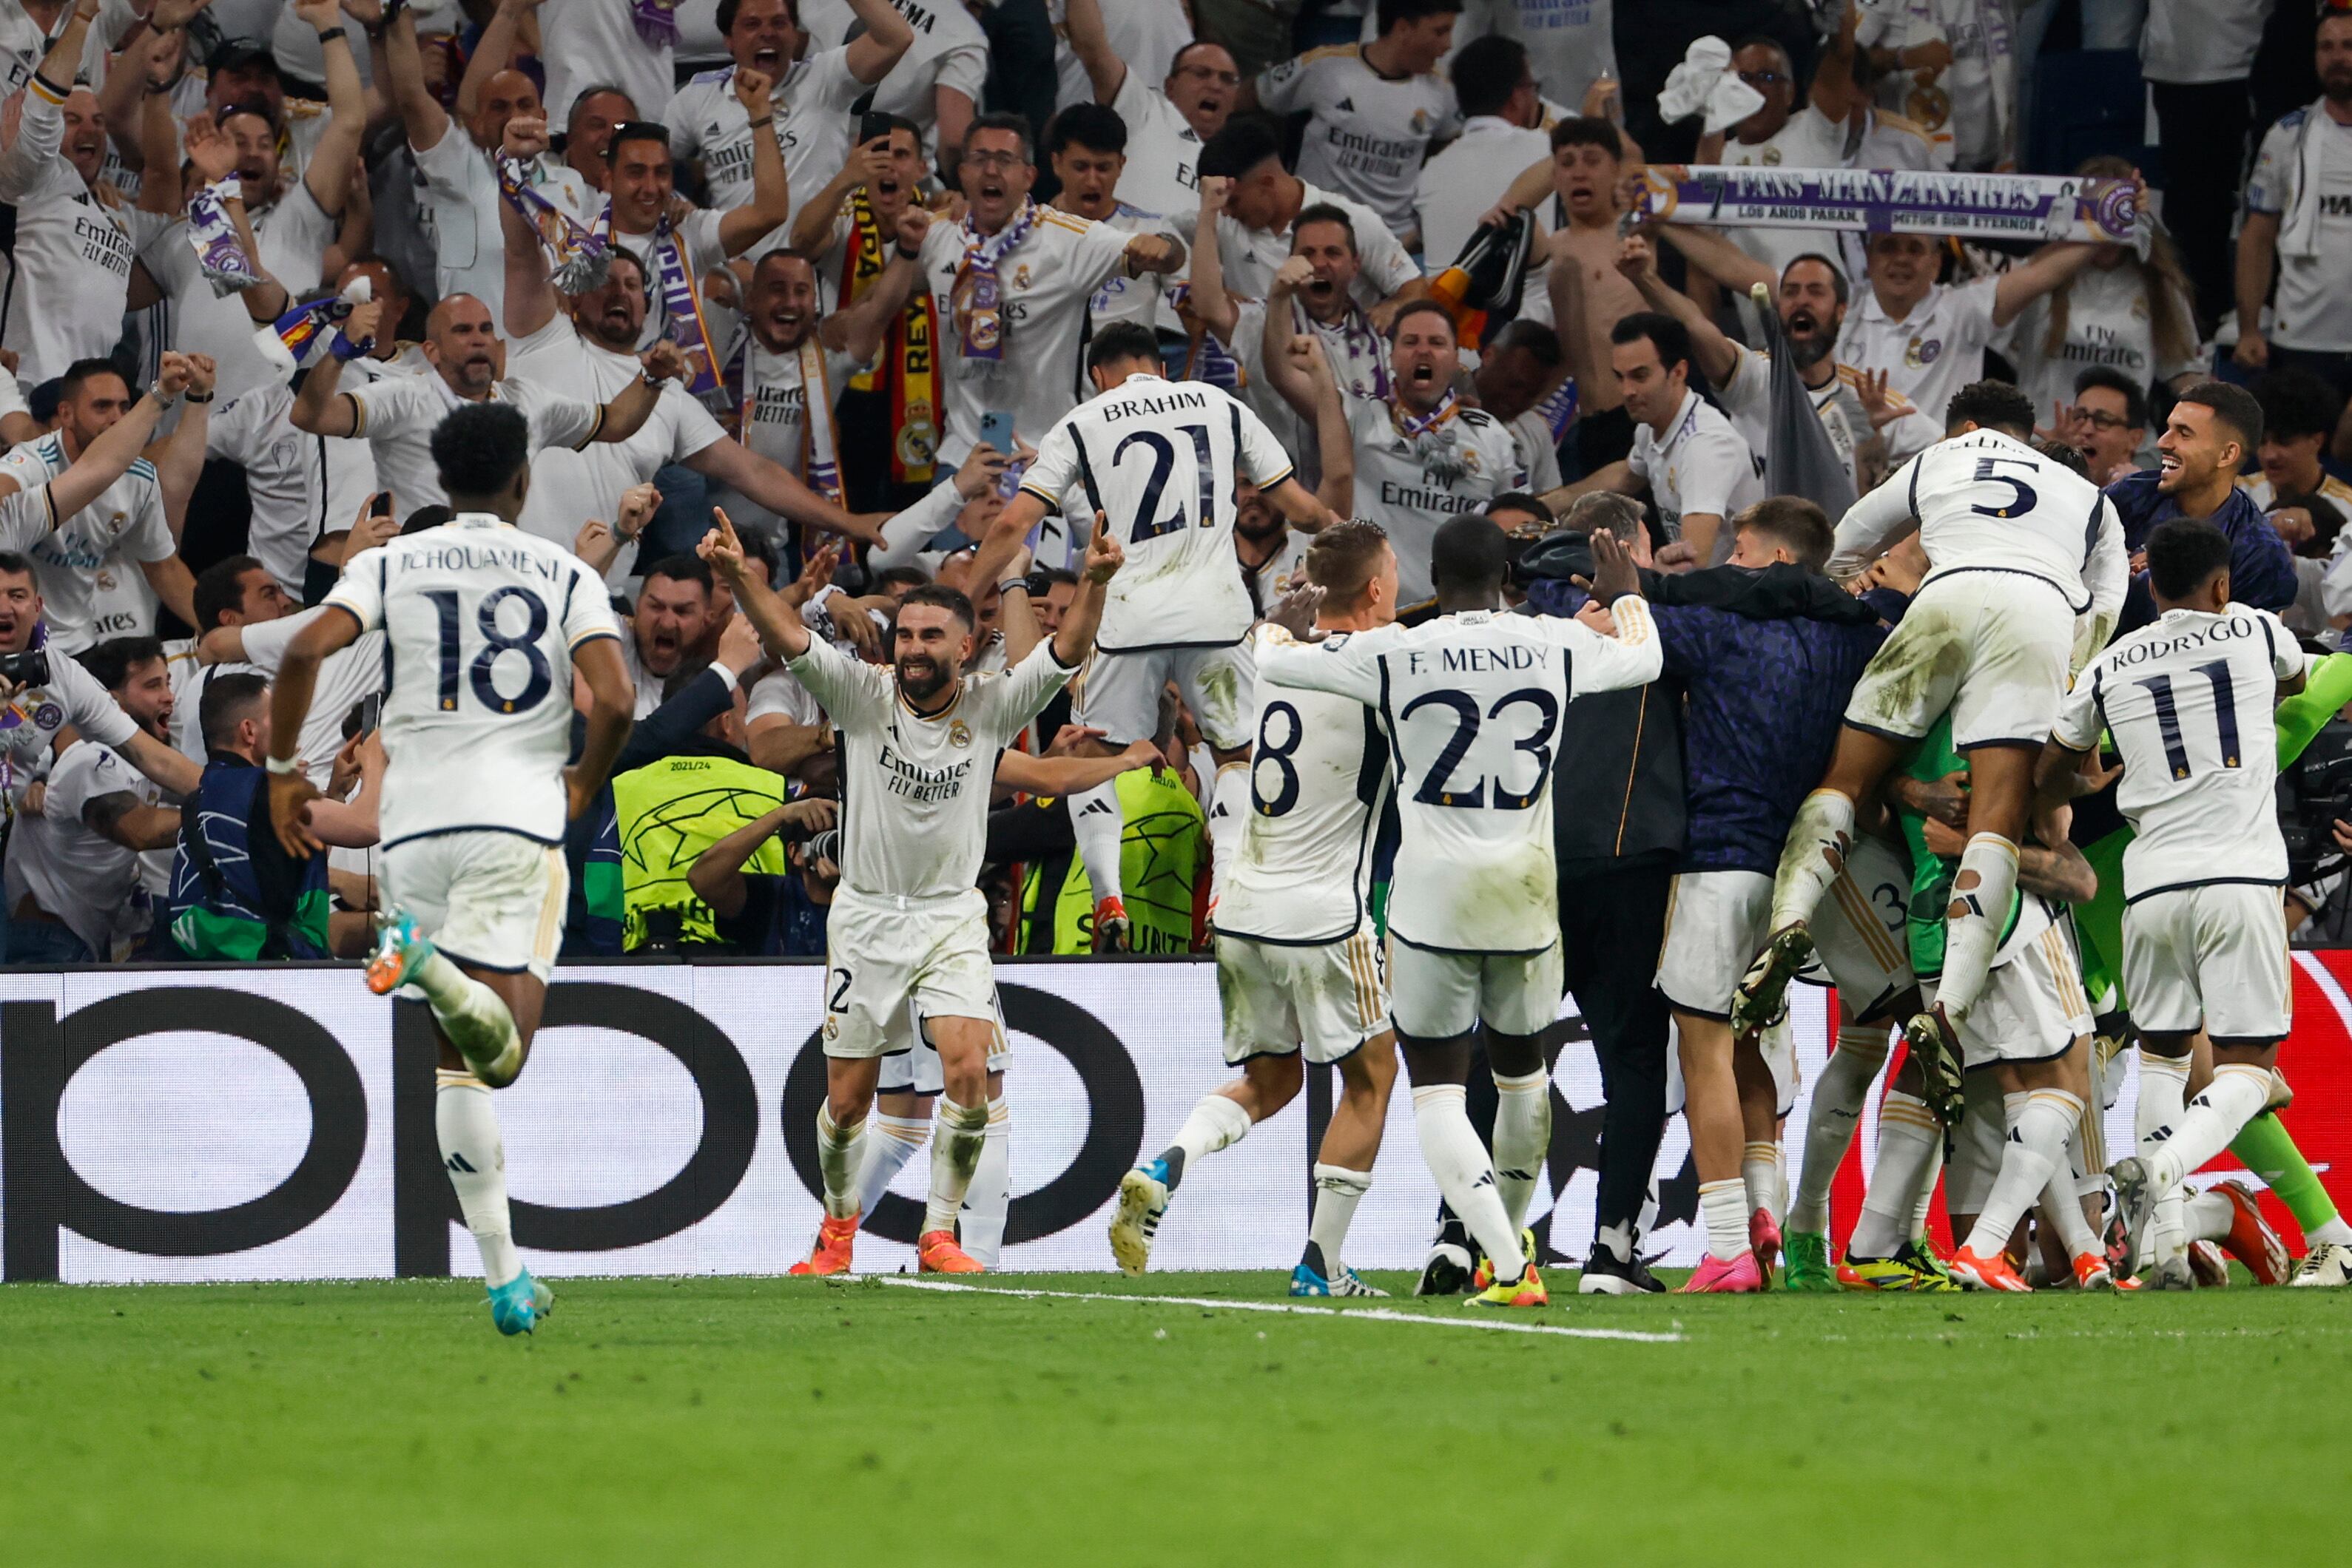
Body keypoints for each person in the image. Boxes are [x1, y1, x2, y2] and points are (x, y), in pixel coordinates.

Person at [263, 402, 637, 1337]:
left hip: (411, 826)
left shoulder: (387, 563)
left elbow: (306, 647)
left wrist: (280, 771)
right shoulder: (562, 571)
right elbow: (619, 699)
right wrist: (585, 780)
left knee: (452, 1064)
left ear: (439, 476)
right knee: (501, 1057)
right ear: (522, 481)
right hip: (514, 817)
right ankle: (424, 962)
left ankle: (506, 1279)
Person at [706, 499, 1120, 1277]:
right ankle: (837, 1228)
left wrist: (1092, 580)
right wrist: (735, 577)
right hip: (864, 915)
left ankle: (938, 1234)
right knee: (849, 1102)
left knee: (968, 1068)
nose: (914, 648)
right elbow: (789, 637)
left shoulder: (992, 707)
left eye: (931, 636)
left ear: (966, 649)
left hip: (949, 917)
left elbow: (1064, 649)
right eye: (905, 635)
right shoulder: (862, 696)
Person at [1257, 515, 1662, 1309]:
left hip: (1433, 894)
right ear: (1506, 571)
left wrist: (1279, 623)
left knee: (1440, 1089)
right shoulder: (1554, 640)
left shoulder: (1394, 648)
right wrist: (1626, 597)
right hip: (1525, 890)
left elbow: (1275, 664)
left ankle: (1505, 1259)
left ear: (1426, 578)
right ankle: (1507, 1256)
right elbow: (1643, 657)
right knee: (1522, 1077)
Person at [1736, 380, 2126, 1124]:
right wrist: (2068, 665)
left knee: (1845, 778)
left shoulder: (1937, 462)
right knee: (1996, 812)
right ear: (2029, 431)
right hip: (2038, 612)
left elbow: (1848, 536)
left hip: (1944, 595)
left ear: (1967, 428)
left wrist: (1829, 601)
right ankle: (1946, 1008)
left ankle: (1789, 920)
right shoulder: (2087, 497)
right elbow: (2102, 600)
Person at [1110, 521, 1402, 1296]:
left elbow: (1270, 638)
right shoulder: (1384, 666)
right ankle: (1321, 1264)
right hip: (1323, 910)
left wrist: (1280, 621)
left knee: (1273, 1078)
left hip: (1242, 904)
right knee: (1372, 1076)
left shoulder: (1268, 657)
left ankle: (1164, 1162)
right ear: (1375, 588)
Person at [984, 320, 1339, 947]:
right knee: (1237, 756)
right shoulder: (1219, 405)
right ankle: (1225, 887)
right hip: (1217, 613)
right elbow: (1304, 510)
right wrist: (1358, 549)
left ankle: (1107, 898)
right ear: (1159, 368)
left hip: (1127, 618)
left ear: (1098, 375)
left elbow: (1017, 520)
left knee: (1091, 758)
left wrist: (970, 588)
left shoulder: (1083, 420)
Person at [1631, 499, 1895, 1291]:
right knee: (1753, 1040)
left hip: (1715, 860)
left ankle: (1723, 1248)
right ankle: (1763, 1208)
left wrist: (1623, 587)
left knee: (1704, 1045)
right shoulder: (1855, 641)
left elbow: (1625, 627)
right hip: (1803, 879)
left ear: (1776, 557)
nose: (1729, 566)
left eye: (1739, 551)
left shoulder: (1721, 630)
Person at [2044, 519, 2307, 1288]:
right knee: (2250, 1071)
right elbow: (2294, 680)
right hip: (2239, 873)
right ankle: (2160, 1167)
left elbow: (2057, 763)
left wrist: (2089, 774)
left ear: (2148, 587)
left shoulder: (2111, 660)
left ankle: (2160, 1248)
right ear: (2222, 585)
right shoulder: (2255, 629)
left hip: (2148, 882)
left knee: (2159, 1052)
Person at [497, 127, 885, 565]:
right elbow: (521, 252)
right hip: (521, 576)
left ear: (650, 307)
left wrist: (850, 523)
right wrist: (514, 167)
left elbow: (755, 472)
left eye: (633, 285)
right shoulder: (542, 338)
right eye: (606, 283)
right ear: (575, 296)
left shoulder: (667, 396)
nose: (621, 292)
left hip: (604, 601)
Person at [917, 112, 1184, 464]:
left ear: (1029, 175)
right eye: (980, 160)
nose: (991, 171)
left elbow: (1169, 254)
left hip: (1046, 452)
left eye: (1005, 160)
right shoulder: (936, 235)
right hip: (962, 453)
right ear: (962, 171)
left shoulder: (1065, 239)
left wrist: (1164, 247)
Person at [289, 291, 684, 516]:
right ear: (432, 351)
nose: (478, 339)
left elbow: (614, 422)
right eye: (462, 331)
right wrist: (339, 354)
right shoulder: (405, 398)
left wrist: (652, 378)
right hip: (418, 575)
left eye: (485, 329)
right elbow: (311, 415)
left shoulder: (528, 401)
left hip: (501, 573)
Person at [1264, 301, 1523, 607]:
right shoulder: (1359, 418)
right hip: (1373, 610)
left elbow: (1519, 522)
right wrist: (1281, 292)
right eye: (1410, 342)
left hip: (1460, 614)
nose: (1423, 351)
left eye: (1437, 343)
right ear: (1392, 356)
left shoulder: (1491, 435)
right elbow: (1282, 374)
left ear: (1456, 360)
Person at [380, 0, 596, 322]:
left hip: (553, 358)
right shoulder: (458, 170)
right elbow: (412, 97)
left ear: (544, 117)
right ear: (477, 123)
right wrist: (394, 15)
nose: (514, 116)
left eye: (525, 105)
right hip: (476, 358)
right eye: (499, 107)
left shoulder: (571, 183)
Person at [166, 671, 384, 961]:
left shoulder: (206, 796)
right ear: (249, 732)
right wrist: (375, 760)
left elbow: (281, 871)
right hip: (274, 974)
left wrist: (336, 794)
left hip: (224, 974)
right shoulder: (267, 789)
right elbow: (367, 826)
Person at [661, 0, 912, 238]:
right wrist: (686, 212)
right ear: (729, 40)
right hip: (736, 269)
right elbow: (642, 158)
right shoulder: (698, 97)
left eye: (779, 23)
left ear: (795, 35)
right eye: (752, 24)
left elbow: (896, 38)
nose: (767, 33)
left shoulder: (826, 78)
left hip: (821, 263)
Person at [0, 357, 202, 651]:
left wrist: (224, 634)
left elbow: (164, 568)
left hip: (80, 642)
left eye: (124, 407)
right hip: (15, 640)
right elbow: (8, 482)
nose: (117, 418)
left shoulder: (139, 478)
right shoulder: (33, 463)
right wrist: (161, 394)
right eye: (102, 407)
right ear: (66, 414)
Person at [5, 638, 182, 963]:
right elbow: (138, 829)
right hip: (47, 942)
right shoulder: (92, 758)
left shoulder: (142, 764)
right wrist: (222, 811)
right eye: (152, 685)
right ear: (114, 702)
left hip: (80, 940)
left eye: (168, 683)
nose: (169, 696)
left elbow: (192, 783)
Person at [2003, 156, 2203, 445]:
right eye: (2095, 214)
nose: (2107, 228)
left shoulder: (2160, 286)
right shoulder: (2038, 279)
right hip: (2045, 443)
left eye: (2117, 213)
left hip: (2125, 451)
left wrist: (2219, 410)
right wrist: (2087, 238)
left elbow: (2184, 371)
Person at [1546, 312, 1762, 567]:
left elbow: (1692, 562)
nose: (1627, 391)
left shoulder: (1705, 447)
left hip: (1735, 594)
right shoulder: (1652, 425)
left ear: (1679, 372)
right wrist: (1551, 503)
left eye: (1640, 376)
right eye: (1620, 376)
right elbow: (1626, 476)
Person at [1244, 0, 1462, 249]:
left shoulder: (1441, 92)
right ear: (1403, 28)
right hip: (1315, 235)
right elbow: (1255, 94)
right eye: (1440, 31)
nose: (1448, 45)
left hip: (1394, 246)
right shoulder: (1326, 68)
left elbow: (1448, 149)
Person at [1835, 230, 2100, 426]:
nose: (1901, 259)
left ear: (1937, 263)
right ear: (1868, 259)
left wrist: (2109, 223)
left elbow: (2041, 273)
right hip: (1853, 468)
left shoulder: (1961, 309)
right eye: (1888, 247)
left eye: (1915, 249)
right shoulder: (1839, 313)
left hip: (1936, 474)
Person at [1195, 117, 1425, 328]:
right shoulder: (1218, 222)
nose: (1226, 212)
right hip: (1253, 365)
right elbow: (1170, 244)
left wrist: (1392, 307)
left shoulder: (1353, 221)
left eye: (1233, 201)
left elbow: (1416, 289)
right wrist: (1219, 293)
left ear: (1266, 183)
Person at [2106, 382, 2299, 632]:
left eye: (2184, 434)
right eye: (2168, 429)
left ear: (2227, 455)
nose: (2163, 442)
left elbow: (2249, 651)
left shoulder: (2260, 553)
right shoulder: (2130, 496)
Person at [1059, 0, 1238, 217]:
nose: (1215, 85)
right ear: (1171, 86)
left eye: (1227, 79)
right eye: (1201, 73)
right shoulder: (1147, 109)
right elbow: (1094, 51)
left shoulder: (1241, 166)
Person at [1414, 38, 1552, 271]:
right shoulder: (1551, 151)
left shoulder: (1430, 171)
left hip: (1443, 305)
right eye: (1532, 88)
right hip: (1531, 305)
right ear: (1517, 97)